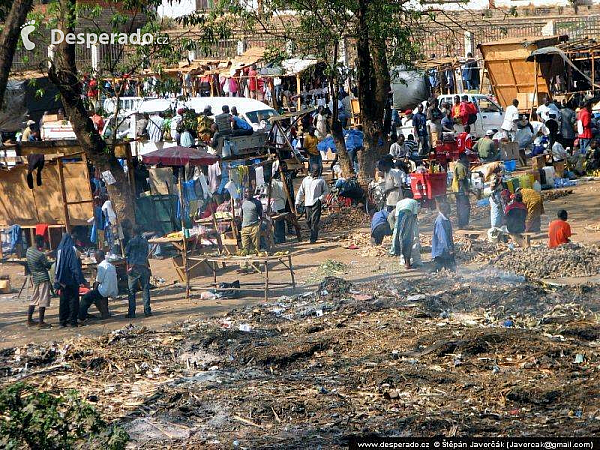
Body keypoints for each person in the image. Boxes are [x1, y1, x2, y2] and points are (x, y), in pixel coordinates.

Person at [54, 233, 86, 328]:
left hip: (62, 280)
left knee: (63, 300)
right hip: (71, 279)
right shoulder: (72, 250)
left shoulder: (59, 250)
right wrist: (80, 279)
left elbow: (57, 266)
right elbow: (74, 266)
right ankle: (72, 321)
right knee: (73, 300)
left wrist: (57, 281)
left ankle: (62, 321)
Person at [78, 250, 117, 322]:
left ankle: (81, 316)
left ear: (99, 257)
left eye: (96, 257)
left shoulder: (101, 266)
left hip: (105, 290)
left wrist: (93, 289)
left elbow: (98, 281)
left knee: (86, 297)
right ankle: (105, 312)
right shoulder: (111, 265)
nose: (95, 259)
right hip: (113, 289)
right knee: (95, 295)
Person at [296, 167, 329, 243]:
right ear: (310, 171)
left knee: (314, 220)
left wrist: (320, 199)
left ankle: (313, 238)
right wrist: (297, 201)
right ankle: (313, 231)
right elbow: (301, 191)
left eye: (317, 171)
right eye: (314, 171)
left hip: (316, 203)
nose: (316, 173)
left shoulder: (321, 181)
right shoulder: (306, 180)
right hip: (307, 203)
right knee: (308, 220)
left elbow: (326, 191)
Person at [26, 235, 53, 328]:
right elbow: (47, 265)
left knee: (34, 299)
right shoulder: (40, 254)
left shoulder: (29, 250)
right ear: (40, 242)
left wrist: (44, 254)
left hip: (35, 278)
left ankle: (29, 320)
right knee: (43, 300)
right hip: (43, 278)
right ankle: (41, 322)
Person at [125, 225, 151, 318]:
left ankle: (132, 312)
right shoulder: (145, 242)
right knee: (145, 289)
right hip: (143, 267)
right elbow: (147, 253)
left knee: (131, 291)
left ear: (133, 232)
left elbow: (126, 254)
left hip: (134, 268)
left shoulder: (131, 242)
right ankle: (147, 311)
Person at [390, 192, 419, 269]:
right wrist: (413, 227)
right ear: (412, 196)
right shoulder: (414, 201)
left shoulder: (399, 202)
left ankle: (400, 256)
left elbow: (396, 216)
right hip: (408, 219)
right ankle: (408, 263)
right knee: (408, 240)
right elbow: (415, 215)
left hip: (400, 220)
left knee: (401, 239)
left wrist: (398, 228)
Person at [431, 201, 455, 272]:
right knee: (439, 268)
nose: (449, 209)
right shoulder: (440, 221)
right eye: (448, 208)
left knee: (449, 268)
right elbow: (442, 237)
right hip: (441, 251)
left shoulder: (445, 219)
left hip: (444, 250)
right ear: (443, 209)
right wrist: (449, 248)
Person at [240, 187, 263, 255]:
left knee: (255, 249)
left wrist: (258, 226)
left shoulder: (257, 203)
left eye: (250, 192)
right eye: (247, 192)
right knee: (245, 249)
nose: (248, 194)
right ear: (245, 194)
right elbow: (241, 215)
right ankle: (244, 265)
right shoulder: (242, 202)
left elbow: (261, 216)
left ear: (253, 193)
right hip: (244, 228)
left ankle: (255, 264)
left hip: (254, 227)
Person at [452, 153, 471, 229]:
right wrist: (465, 190)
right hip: (461, 189)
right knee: (466, 207)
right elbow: (461, 180)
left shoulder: (459, 165)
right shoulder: (461, 167)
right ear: (463, 158)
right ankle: (464, 224)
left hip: (458, 189)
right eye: (466, 157)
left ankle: (461, 225)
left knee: (460, 207)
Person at [270, 171, 288, 244]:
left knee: (276, 222)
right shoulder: (280, 183)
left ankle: (278, 238)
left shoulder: (271, 183)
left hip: (275, 205)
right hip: (281, 203)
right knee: (281, 222)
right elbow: (284, 195)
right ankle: (282, 238)